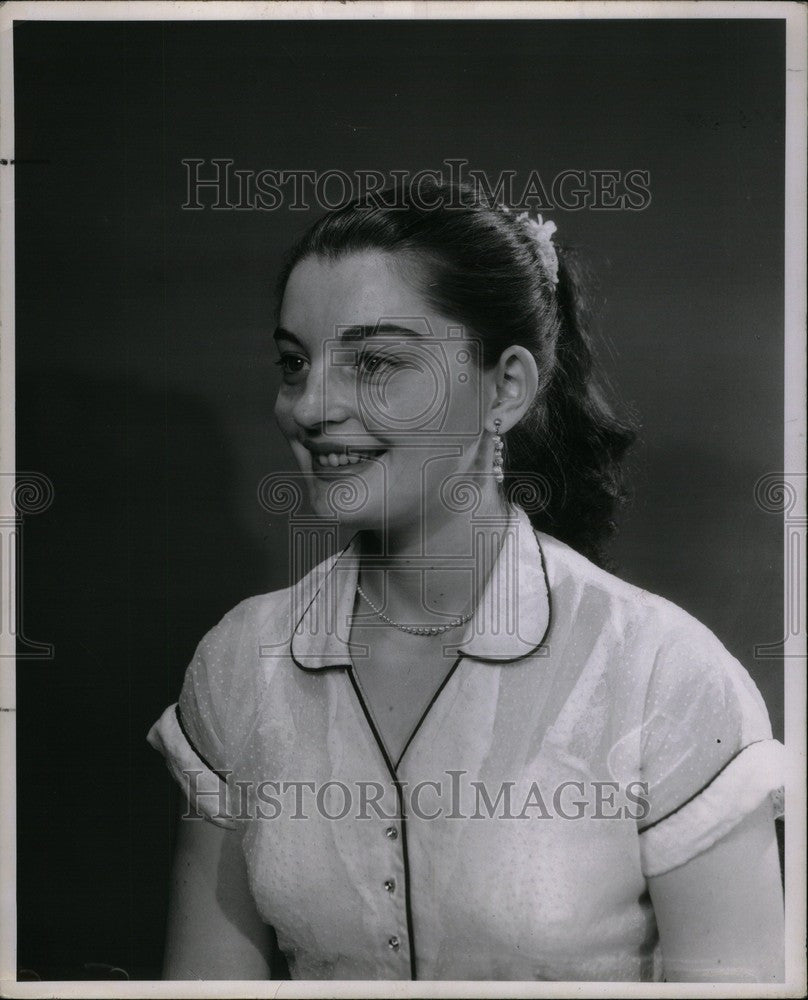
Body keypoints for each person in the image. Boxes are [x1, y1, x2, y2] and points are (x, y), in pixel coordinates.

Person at [147, 181, 784, 983]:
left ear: (506, 388)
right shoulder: (242, 661)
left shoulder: (664, 674)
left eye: (374, 362)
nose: (309, 407)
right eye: (292, 364)